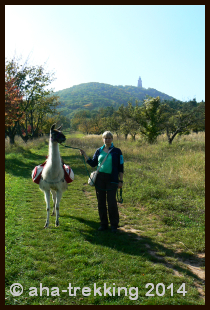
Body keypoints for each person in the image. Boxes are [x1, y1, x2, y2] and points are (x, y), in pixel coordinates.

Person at [80, 131, 124, 233]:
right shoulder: (98, 150)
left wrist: (120, 181)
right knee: (101, 202)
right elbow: (93, 163)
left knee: (112, 202)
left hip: (112, 179)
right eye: (105, 138)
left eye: (109, 138)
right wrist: (85, 155)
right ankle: (103, 224)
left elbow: (121, 167)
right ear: (102, 139)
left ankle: (114, 225)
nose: (107, 140)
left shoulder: (117, 151)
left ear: (112, 139)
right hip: (100, 179)